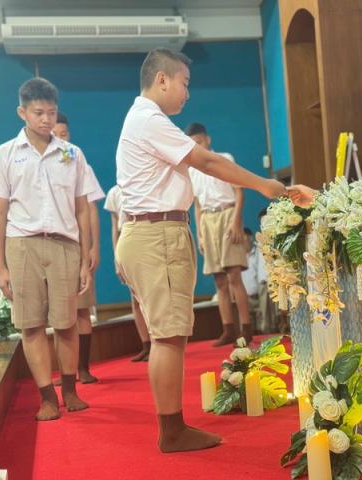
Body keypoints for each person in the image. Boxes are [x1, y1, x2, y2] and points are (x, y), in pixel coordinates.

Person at [114, 48, 285, 453]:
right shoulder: (149, 119)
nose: (187, 93)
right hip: (156, 236)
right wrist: (264, 184)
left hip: (150, 233)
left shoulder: (140, 118)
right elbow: (206, 162)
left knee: (167, 334)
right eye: (184, 83)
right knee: (169, 336)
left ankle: (172, 427)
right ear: (161, 79)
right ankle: (172, 431)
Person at [0, 77, 92, 421]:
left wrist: (85, 258)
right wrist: (0, 266)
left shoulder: (72, 154)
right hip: (22, 245)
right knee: (30, 326)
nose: (46, 119)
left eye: (52, 112)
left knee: (67, 323)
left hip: (65, 245)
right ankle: (47, 398)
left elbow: (82, 209)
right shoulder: (3, 154)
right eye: (38, 113)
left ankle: (70, 390)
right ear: (22, 112)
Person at [186, 123, 252, 347]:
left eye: (199, 141)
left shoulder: (224, 158)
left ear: (208, 139)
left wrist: (236, 222)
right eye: (193, 143)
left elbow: (239, 191)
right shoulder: (191, 170)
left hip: (227, 214)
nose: (197, 145)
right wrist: (200, 234)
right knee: (219, 280)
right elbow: (196, 205)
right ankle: (228, 329)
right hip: (207, 219)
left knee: (234, 275)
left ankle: (246, 328)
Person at [53, 112, 104, 383]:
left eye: (64, 134)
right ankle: (65, 372)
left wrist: (93, 246)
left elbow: (91, 209)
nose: (59, 139)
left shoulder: (77, 160)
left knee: (82, 309)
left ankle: (83, 368)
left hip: (77, 246)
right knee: (58, 314)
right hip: (52, 247)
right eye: (55, 134)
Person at [104, 185, 151, 362]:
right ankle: (146, 345)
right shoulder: (114, 193)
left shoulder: (142, 186)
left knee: (149, 295)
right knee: (135, 297)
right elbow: (114, 229)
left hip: (144, 235)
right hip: (126, 240)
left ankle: (157, 342)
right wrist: (117, 258)